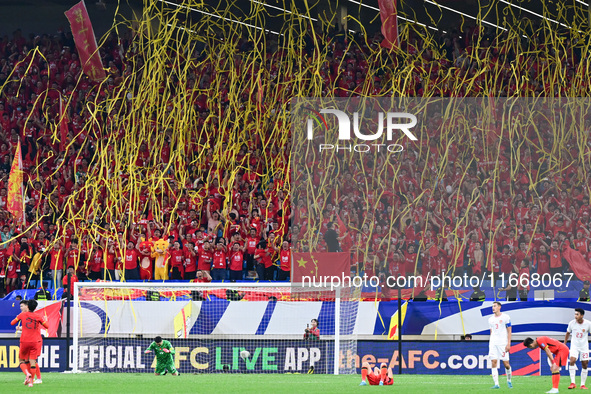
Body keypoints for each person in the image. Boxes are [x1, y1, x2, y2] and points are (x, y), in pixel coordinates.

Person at [10, 299, 48, 387]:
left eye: (22, 306)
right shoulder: (30, 316)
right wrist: (20, 329)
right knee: (29, 360)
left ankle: (37, 378)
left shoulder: (24, 315)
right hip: (33, 340)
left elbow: (35, 328)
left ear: (27, 306)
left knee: (31, 360)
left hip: (34, 340)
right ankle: (30, 379)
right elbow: (29, 328)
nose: (21, 308)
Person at [564, 308, 591, 389]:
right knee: (572, 360)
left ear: (582, 315)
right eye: (575, 314)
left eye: (577, 314)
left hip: (584, 346)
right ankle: (573, 383)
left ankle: (582, 385)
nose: (575, 316)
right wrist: (564, 344)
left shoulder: (588, 324)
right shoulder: (572, 323)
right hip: (574, 346)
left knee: (585, 364)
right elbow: (568, 333)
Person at [488, 301, 513, 389]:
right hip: (493, 343)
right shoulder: (490, 319)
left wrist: (508, 343)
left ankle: (509, 380)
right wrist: (491, 341)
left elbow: (509, 330)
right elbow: (491, 331)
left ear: (499, 307)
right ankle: (496, 384)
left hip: (503, 343)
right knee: (493, 362)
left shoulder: (506, 317)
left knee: (506, 364)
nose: (493, 308)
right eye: (492, 306)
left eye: (494, 306)